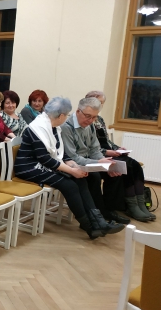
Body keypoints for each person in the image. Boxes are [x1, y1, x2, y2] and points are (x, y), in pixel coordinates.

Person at [14, 97, 124, 239]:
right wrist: (72, 170)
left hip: (44, 165)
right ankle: (90, 227)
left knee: (81, 179)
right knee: (69, 185)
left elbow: (60, 152)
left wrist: (74, 165)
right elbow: (45, 158)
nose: (67, 117)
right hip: (29, 167)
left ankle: (99, 222)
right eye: (66, 115)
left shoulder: (54, 127)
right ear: (61, 116)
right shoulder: (37, 128)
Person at [85, 90, 154, 221]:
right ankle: (129, 206)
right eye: (98, 102)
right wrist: (107, 152)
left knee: (135, 165)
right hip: (99, 155)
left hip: (107, 152)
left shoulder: (100, 119)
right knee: (124, 166)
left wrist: (117, 148)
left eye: (102, 103)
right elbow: (90, 147)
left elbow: (106, 140)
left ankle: (139, 204)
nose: (100, 105)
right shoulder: (87, 119)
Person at [60, 97, 131, 224]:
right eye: (88, 116)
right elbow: (72, 157)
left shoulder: (90, 125)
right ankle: (97, 213)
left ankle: (109, 210)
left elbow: (95, 149)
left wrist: (104, 162)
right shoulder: (67, 127)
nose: (90, 120)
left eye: (94, 117)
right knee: (94, 176)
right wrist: (98, 163)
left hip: (89, 161)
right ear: (78, 111)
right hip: (74, 164)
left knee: (115, 172)